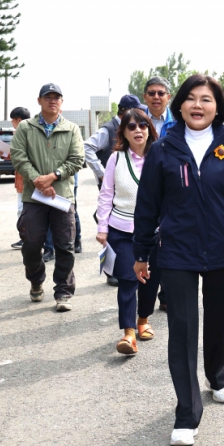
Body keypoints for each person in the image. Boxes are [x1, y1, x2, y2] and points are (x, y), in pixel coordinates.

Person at [133, 74, 224, 446]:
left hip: (223, 249)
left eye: (205, 99)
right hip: (176, 252)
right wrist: (141, 252)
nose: (197, 105)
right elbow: (148, 205)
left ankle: (218, 375)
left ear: (217, 106)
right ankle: (187, 412)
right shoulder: (164, 149)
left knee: (221, 320)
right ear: (180, 106)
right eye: (190, 98)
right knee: (183, 329)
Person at [10, 83, 84, 312]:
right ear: (39, 100)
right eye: (47, 97)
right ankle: (35, 279)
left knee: (65, 245)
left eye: (56, 97)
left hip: (62, 197)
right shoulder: (25, 128)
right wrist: (38, 180)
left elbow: (77, 159)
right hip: (34, 198)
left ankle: (63, 291)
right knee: (31, 244)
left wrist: (53, 176)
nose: (52, 100)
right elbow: (19, 157)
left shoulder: (72, 128)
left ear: (62, 101)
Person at [96, 109, 159, 354]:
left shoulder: (159, 156)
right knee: (127, 279)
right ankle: (129, 333)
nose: (137, 130)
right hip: (121, 228)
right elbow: (106, 194)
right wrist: (102, 227)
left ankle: (143, 319)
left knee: (150, 279)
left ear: (149, 129)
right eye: (131, 126)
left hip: (154, 231)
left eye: (142, 125)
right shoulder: (115, 159)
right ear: (123, 131)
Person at [85, 95, 142, 287]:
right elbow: (87, 147)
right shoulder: (108, 129)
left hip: (130, 192)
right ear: (126, 111)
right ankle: (113, 270)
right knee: (109, 224)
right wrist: (101, 173)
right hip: (114, 183)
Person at [8, 106, 31, 249]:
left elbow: (24, 155)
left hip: (26, 179)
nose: (12, 123)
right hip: (23, 179)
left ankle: (27, 239)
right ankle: (26, 238)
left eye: (13, 120)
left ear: (19, 120)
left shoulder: (25, 133)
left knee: (23, 210)